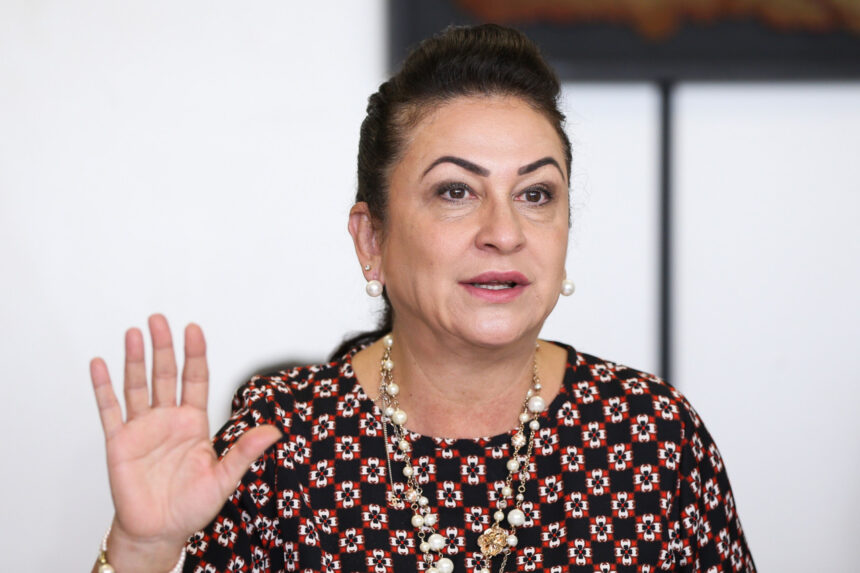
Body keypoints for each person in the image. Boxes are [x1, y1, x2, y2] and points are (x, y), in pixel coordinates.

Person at [90, 24, 755, 573]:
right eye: (455, 191)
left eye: (536, 194)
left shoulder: (651, 435)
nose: (504, 233)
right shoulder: (280, 440)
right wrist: (141, 552)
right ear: (372, 239)